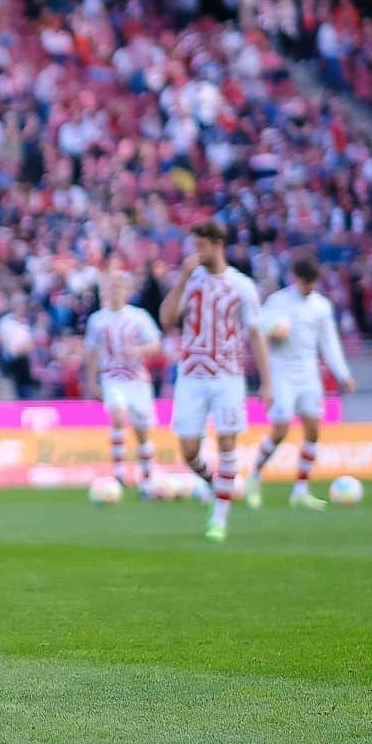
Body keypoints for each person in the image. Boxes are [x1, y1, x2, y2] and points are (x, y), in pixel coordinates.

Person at [159, 220, 272, 543]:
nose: (197, 252)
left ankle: (219, 518)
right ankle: (214, 483)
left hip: (227, 376)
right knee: (189, 450)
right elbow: (167, 317)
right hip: (192, 375)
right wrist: (181, 278)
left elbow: (255, 334)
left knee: (227, 442)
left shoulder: (241, 286)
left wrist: (267, 382)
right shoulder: (190, 280)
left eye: (201, 246)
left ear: (218, 244)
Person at [247, 257, 356, 511]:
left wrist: (343, 374)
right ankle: (253, 477)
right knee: (280, 429)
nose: (308, 287)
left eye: (312, 283)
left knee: (313, 429)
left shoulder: (321, 307)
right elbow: (257, 327)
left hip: (308, 372)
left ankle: (300, 490)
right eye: (305, 282)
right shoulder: (278, 301)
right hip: (282, 372)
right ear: (295, 278)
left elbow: (329, 343)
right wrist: (273, 329)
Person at [84, 270, 163, 490]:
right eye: (112, 288)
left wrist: (137, 350)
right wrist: (91, 381)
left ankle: (147, 476)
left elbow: (156, 345)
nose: (116, 292)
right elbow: (91, 352)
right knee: (118, 416)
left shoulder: (139, 317)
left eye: (120, 288)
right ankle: (119, 473)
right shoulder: (97, 320)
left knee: (142, 431)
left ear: (127, 291)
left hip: (137, 379)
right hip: (112, 377)